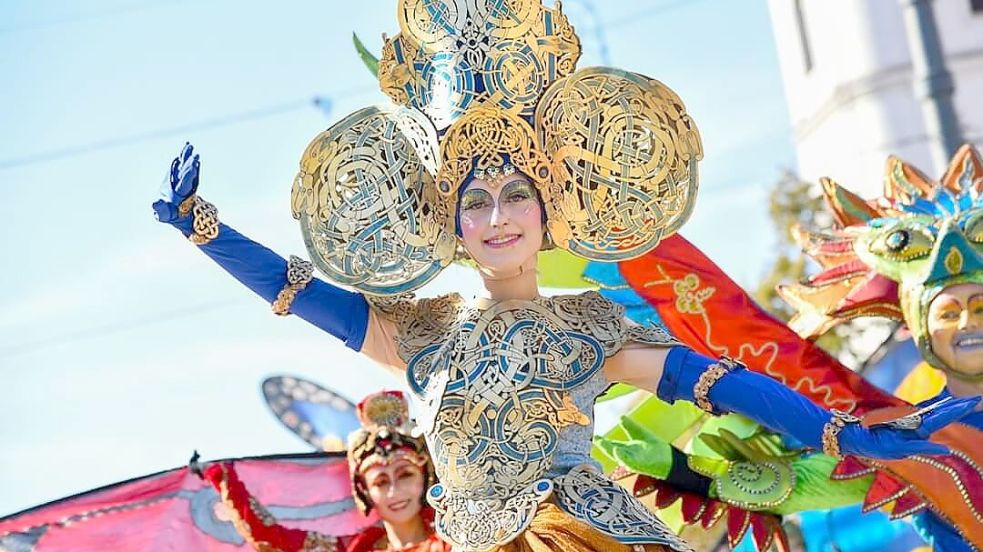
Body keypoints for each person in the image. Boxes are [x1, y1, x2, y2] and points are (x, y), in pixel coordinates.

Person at [154, 2, 978, 550]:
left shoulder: (591, 326)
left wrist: (843, 434)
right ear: (452, 223)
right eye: (474, 201)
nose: (498, 216)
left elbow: (718, 384)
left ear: (550, 213)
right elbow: (301, 297)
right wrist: (208, 233)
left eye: (517, 195)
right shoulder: (418, 333)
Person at [779, 145, 983, 550]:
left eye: (981, 307)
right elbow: (798, 484)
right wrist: (685, 471)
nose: (968, 324)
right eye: (947, 313)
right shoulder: (904, 432)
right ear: (922, 334)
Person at [201, 390, 450, 552]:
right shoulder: (357, 548)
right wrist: (225, 480)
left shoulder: (458, 536)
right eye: (380, 482)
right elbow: (272, 538)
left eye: (405, 475)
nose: (394, 491)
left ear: (425, 477)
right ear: (363, 490)